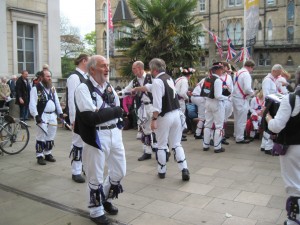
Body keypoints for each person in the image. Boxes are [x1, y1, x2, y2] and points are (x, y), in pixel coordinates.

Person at [74, 55, 125, 225]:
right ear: (92, 69)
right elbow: (90, 118)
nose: (107, 68)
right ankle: (96, 211)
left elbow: (120, 109)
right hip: (96, 136)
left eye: (107, 65)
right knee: (95, 175)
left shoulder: (108, 87)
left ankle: (105, 197)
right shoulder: (83, 88)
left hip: (114, 134)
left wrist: (105, 113)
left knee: (119, 172)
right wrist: (114, 112)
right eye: (103, 66)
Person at [133, 58, 190, 181]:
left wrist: (154, 119)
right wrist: (138, 88)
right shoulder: (168, 78)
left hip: (165, 116)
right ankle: (184, 168)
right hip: (176, 113)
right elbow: (150, 87)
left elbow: (157, 105)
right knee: (176, 143)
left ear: (153, 70)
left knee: (161, 144)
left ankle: (162, 170)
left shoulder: (158, 81)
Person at [266, 68, 300, 225]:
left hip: (293, 147)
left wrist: (268, 118)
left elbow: (276, 126)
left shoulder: (291, 99)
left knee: (294, 185)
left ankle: (294, 220)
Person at [122, 61, 156, 161]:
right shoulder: (134, 81)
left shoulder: (151, 77)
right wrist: (116, 94)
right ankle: (147, 152)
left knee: (158, 129)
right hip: (143, 108)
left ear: (140, 68)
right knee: (145, 130)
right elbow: (126, 91)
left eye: (134, 68)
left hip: (153, 106)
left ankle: (163, 151)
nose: (132, 71)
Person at [29, 70, 63, 165]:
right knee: (41, 136)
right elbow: (32, 104)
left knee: (51, 135)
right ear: (42, 77)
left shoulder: (52, 88)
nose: (49, 78)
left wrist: (60, 113)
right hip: (42, 115)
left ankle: (48, 153)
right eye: (47, 76)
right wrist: (36, 115)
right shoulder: (36, 89)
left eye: (50, 76)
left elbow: (56, 101)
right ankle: (39, 155)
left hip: (52, 115)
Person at [66, 54, 89, 183]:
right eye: (89, 61)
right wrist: (73, 119)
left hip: (86, 116)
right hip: (78, 117)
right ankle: (76, 171)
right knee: (77, 143)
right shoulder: (74, 77)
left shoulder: (85, 77)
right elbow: (72, 99)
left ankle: (84, 167)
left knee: (86, 144)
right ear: (83, 61)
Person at [200, 62, 228, 153]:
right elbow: (218, 96)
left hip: (208, 103)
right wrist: (227, 97)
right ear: (217, 70)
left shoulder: (207, 78)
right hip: (216, 104)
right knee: (219, 126)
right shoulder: (218, 80)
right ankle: (217, 147)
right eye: (221, 69)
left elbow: (204, 92)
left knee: (207, 124)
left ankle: (205, 145)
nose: (222, 71)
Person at [261, 64, 282, 155]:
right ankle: (268, 147)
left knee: (268, 126)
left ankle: (264, 145)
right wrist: (267, 109)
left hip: (272, 104)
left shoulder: (272, 80)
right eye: (278, 73)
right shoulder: (267, 80)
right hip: (270, 105)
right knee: (270, 126)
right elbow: (266, 95)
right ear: (274, 71)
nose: (279, 75)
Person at [232, 60, 255, 144]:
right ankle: (240, 138)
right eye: (252, 69)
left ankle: (236, 134)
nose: (252, 71)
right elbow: (247, 89)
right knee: (242, 120)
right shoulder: (246, 74)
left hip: (235, 97)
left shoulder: (237, 73)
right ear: (250, 67)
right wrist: (253, 93)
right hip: (241, 99)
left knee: (237, 118)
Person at [175, 67, 195, 141]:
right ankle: (179, 135)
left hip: (175, 100)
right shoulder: (184, 81)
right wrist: (187, 98)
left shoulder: (178, 79)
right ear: (189, 75)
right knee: (181, 117)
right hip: (180, 101)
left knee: (178, 117)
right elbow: (182, 93)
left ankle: (178, 134)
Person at [220, 62, 234, 144]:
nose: (226, 69)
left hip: (227, 100)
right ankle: (218, 137)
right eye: (225, 67)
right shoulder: (216, 77)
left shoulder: (228, 77)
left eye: (226, 67)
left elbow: (232, 88)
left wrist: (230, 97)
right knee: (219, 120)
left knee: (225, 119)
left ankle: (223, 135)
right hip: (220, 100)